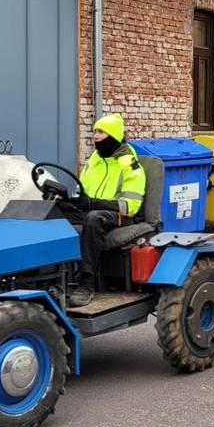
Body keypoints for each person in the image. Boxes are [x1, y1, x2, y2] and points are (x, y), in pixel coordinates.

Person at [61, 113, 146, 307]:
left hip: (120, 216)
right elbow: (81, 192)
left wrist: (92, 204)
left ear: (114, 136)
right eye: (95, 132)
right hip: (95, 211)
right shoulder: (94, 161)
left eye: (100, 132)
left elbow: (129, 206)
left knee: (92, 218)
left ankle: (87, 283)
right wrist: (70, 202)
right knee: (53, 211)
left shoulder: (131, 166)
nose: (95, 136)